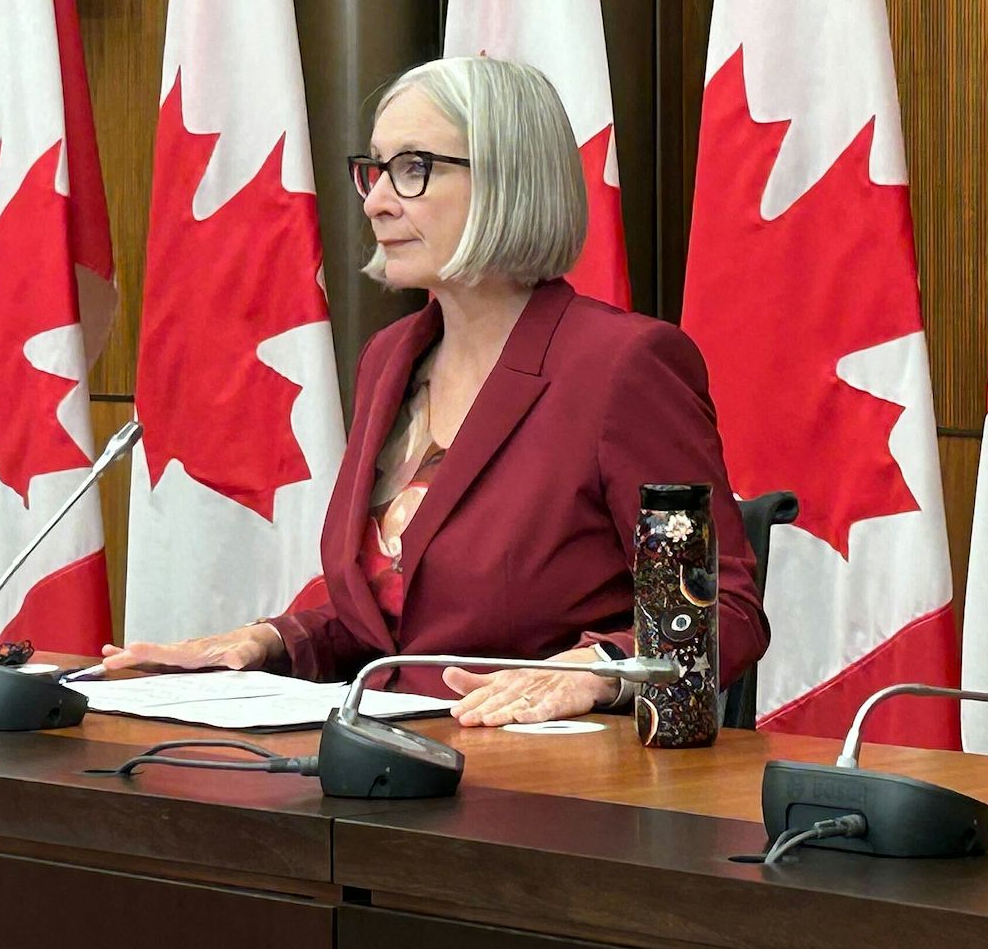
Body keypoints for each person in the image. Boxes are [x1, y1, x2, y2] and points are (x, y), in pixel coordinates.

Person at [103, 56, 768, 727]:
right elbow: (397, 617)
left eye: (414, 170)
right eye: (376, 170)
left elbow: (723, 613)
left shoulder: (621, 366)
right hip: (382, 761)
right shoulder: (390, 360)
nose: (376, 201)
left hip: (546, 786)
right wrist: (268, 641)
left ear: (509, 180)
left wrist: (596, 672)